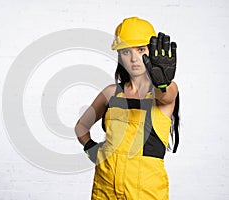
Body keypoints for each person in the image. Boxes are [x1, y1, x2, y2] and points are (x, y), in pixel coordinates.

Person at [75, 16, 180, 200]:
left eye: (140, 50)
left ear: (153, 51)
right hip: (105, 188)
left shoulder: (164, 90)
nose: (133, 58)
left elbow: (166, 96)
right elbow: (81, 127)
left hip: (145, 192)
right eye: (125, 52)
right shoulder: (111, 93)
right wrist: (93, 150)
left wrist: (162, 84)